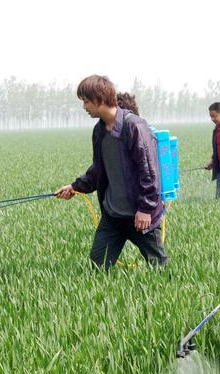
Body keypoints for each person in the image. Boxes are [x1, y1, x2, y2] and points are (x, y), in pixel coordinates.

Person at [55, 75, 167, 270]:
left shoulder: (134, 127)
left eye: (86, 101)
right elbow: (99, 169)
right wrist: (75, 187)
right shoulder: (99, 131)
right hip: (113, 215)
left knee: (159, 269)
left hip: (139, 216)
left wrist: (146, 209)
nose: (85, 107)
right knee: (97, 268)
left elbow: (149, 171)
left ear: (100, 98)